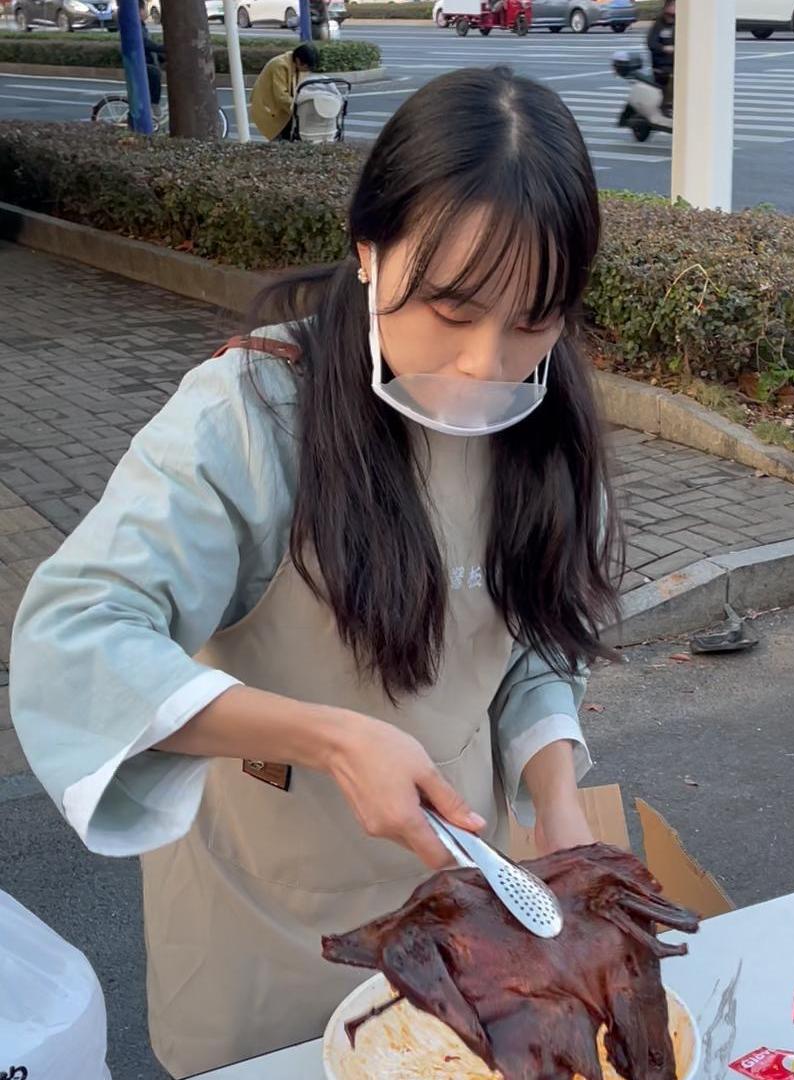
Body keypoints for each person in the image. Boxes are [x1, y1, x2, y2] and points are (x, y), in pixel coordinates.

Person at [10, 64, 621, 1078]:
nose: (485, 363)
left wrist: (559, 810)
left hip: (469, 913)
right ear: (370, 251)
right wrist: (331, 737)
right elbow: (75, 636)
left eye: (534, 320)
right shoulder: (249, 414)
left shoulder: (547, 430)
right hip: (265, 924)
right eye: (452, 310)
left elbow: (532, 643)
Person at [250, 42, 317, 141]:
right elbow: (281, 96)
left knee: (289, 136)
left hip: (285, 108)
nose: (307, 70)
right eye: (307, 67)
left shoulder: (295, 65)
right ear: (298, 61)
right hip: (269, 107)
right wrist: (300, 109)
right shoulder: (280, 65)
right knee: (280, 138)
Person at [647, 0, 675, 117]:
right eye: (672, 5)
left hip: (678, 64)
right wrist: (664, 48)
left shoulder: (680, 25)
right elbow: (651, 43)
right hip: (662, 65)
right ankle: (667, 106)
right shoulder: (658, 25)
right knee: (673, 78)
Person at [138, 0, 165, 118]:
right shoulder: (135, 26)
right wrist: (162, 48)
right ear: (139, 11)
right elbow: (145, 44)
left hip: (146, 60)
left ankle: (151, 103)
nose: (146, 12)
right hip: (141, 63)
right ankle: (154, 103)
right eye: (144, 9)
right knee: (154, 73)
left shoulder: (142, 26)